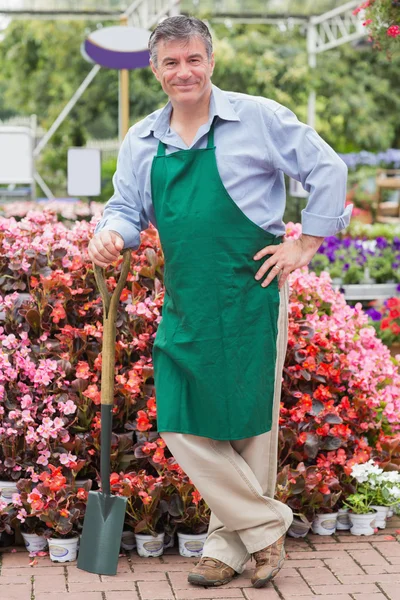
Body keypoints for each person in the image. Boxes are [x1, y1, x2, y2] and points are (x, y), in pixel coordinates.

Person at [88, 15, 352, 589]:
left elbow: (327, 167)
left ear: (210, 62)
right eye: (171, 62)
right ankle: (267, 525)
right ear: (155, 69)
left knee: (249, 424)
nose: (184, 71)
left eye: (193, 59)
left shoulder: (256, 117)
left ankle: (225, 549)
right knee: (179, 419)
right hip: (186, 296)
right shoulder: (142, 139)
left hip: (250, 290)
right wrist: (110, 233)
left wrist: (305, 243)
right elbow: (125, 210)